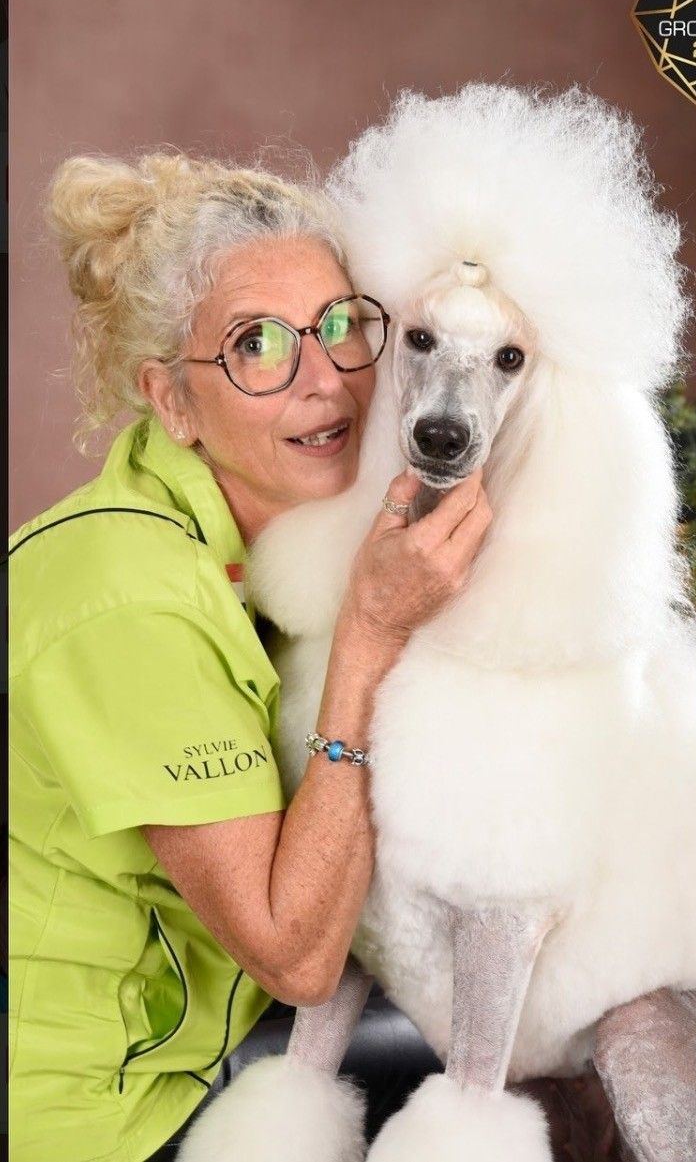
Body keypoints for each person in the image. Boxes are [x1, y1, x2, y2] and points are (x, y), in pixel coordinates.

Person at [8, 152, 492, 1162]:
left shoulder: (269, 551)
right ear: (171, 401)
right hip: (82, 1120)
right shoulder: (127, 595)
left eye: (340, 327)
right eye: (257, 345)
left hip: (194, 1064)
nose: (324, 379)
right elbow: (296, 953)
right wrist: (369, 639)